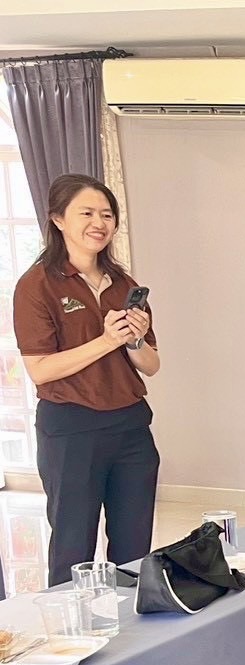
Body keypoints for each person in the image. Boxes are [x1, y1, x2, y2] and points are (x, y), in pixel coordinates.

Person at [13, 174, 160, 586]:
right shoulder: (36, 285)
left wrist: (133, 340)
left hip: (131, 425)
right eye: (87, 213)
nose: (99, 223)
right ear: (58, 219)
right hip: (71, 427)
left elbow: (151, 365)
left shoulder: (125, 284)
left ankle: (132, 620)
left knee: (134, 549)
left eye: (107, 215)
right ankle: (69, 622)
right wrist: (106, 340)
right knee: (73, 546)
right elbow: (40, 369)